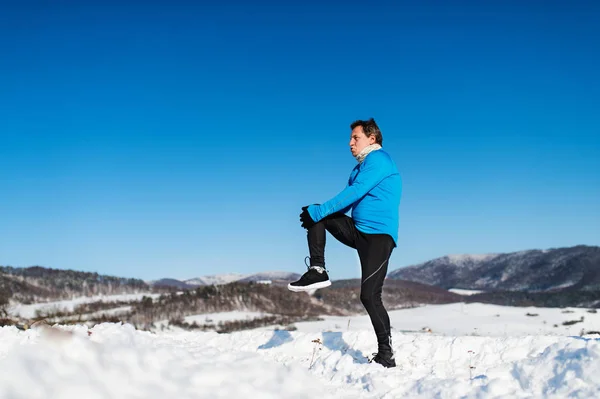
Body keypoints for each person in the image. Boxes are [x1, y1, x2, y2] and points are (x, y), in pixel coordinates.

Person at [288, 118, 402, 368]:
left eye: (355, 138)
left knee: (370, 296)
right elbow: (347, 202)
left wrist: (320, 212)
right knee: (317, 211)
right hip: (357, 231)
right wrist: (317, 212)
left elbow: (355, 192)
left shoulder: (379, 161)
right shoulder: (359, 168)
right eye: (350, 139)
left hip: (378, 238)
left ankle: (386, 354)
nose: (350, 143)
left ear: (372, 139)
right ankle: (318, 269)